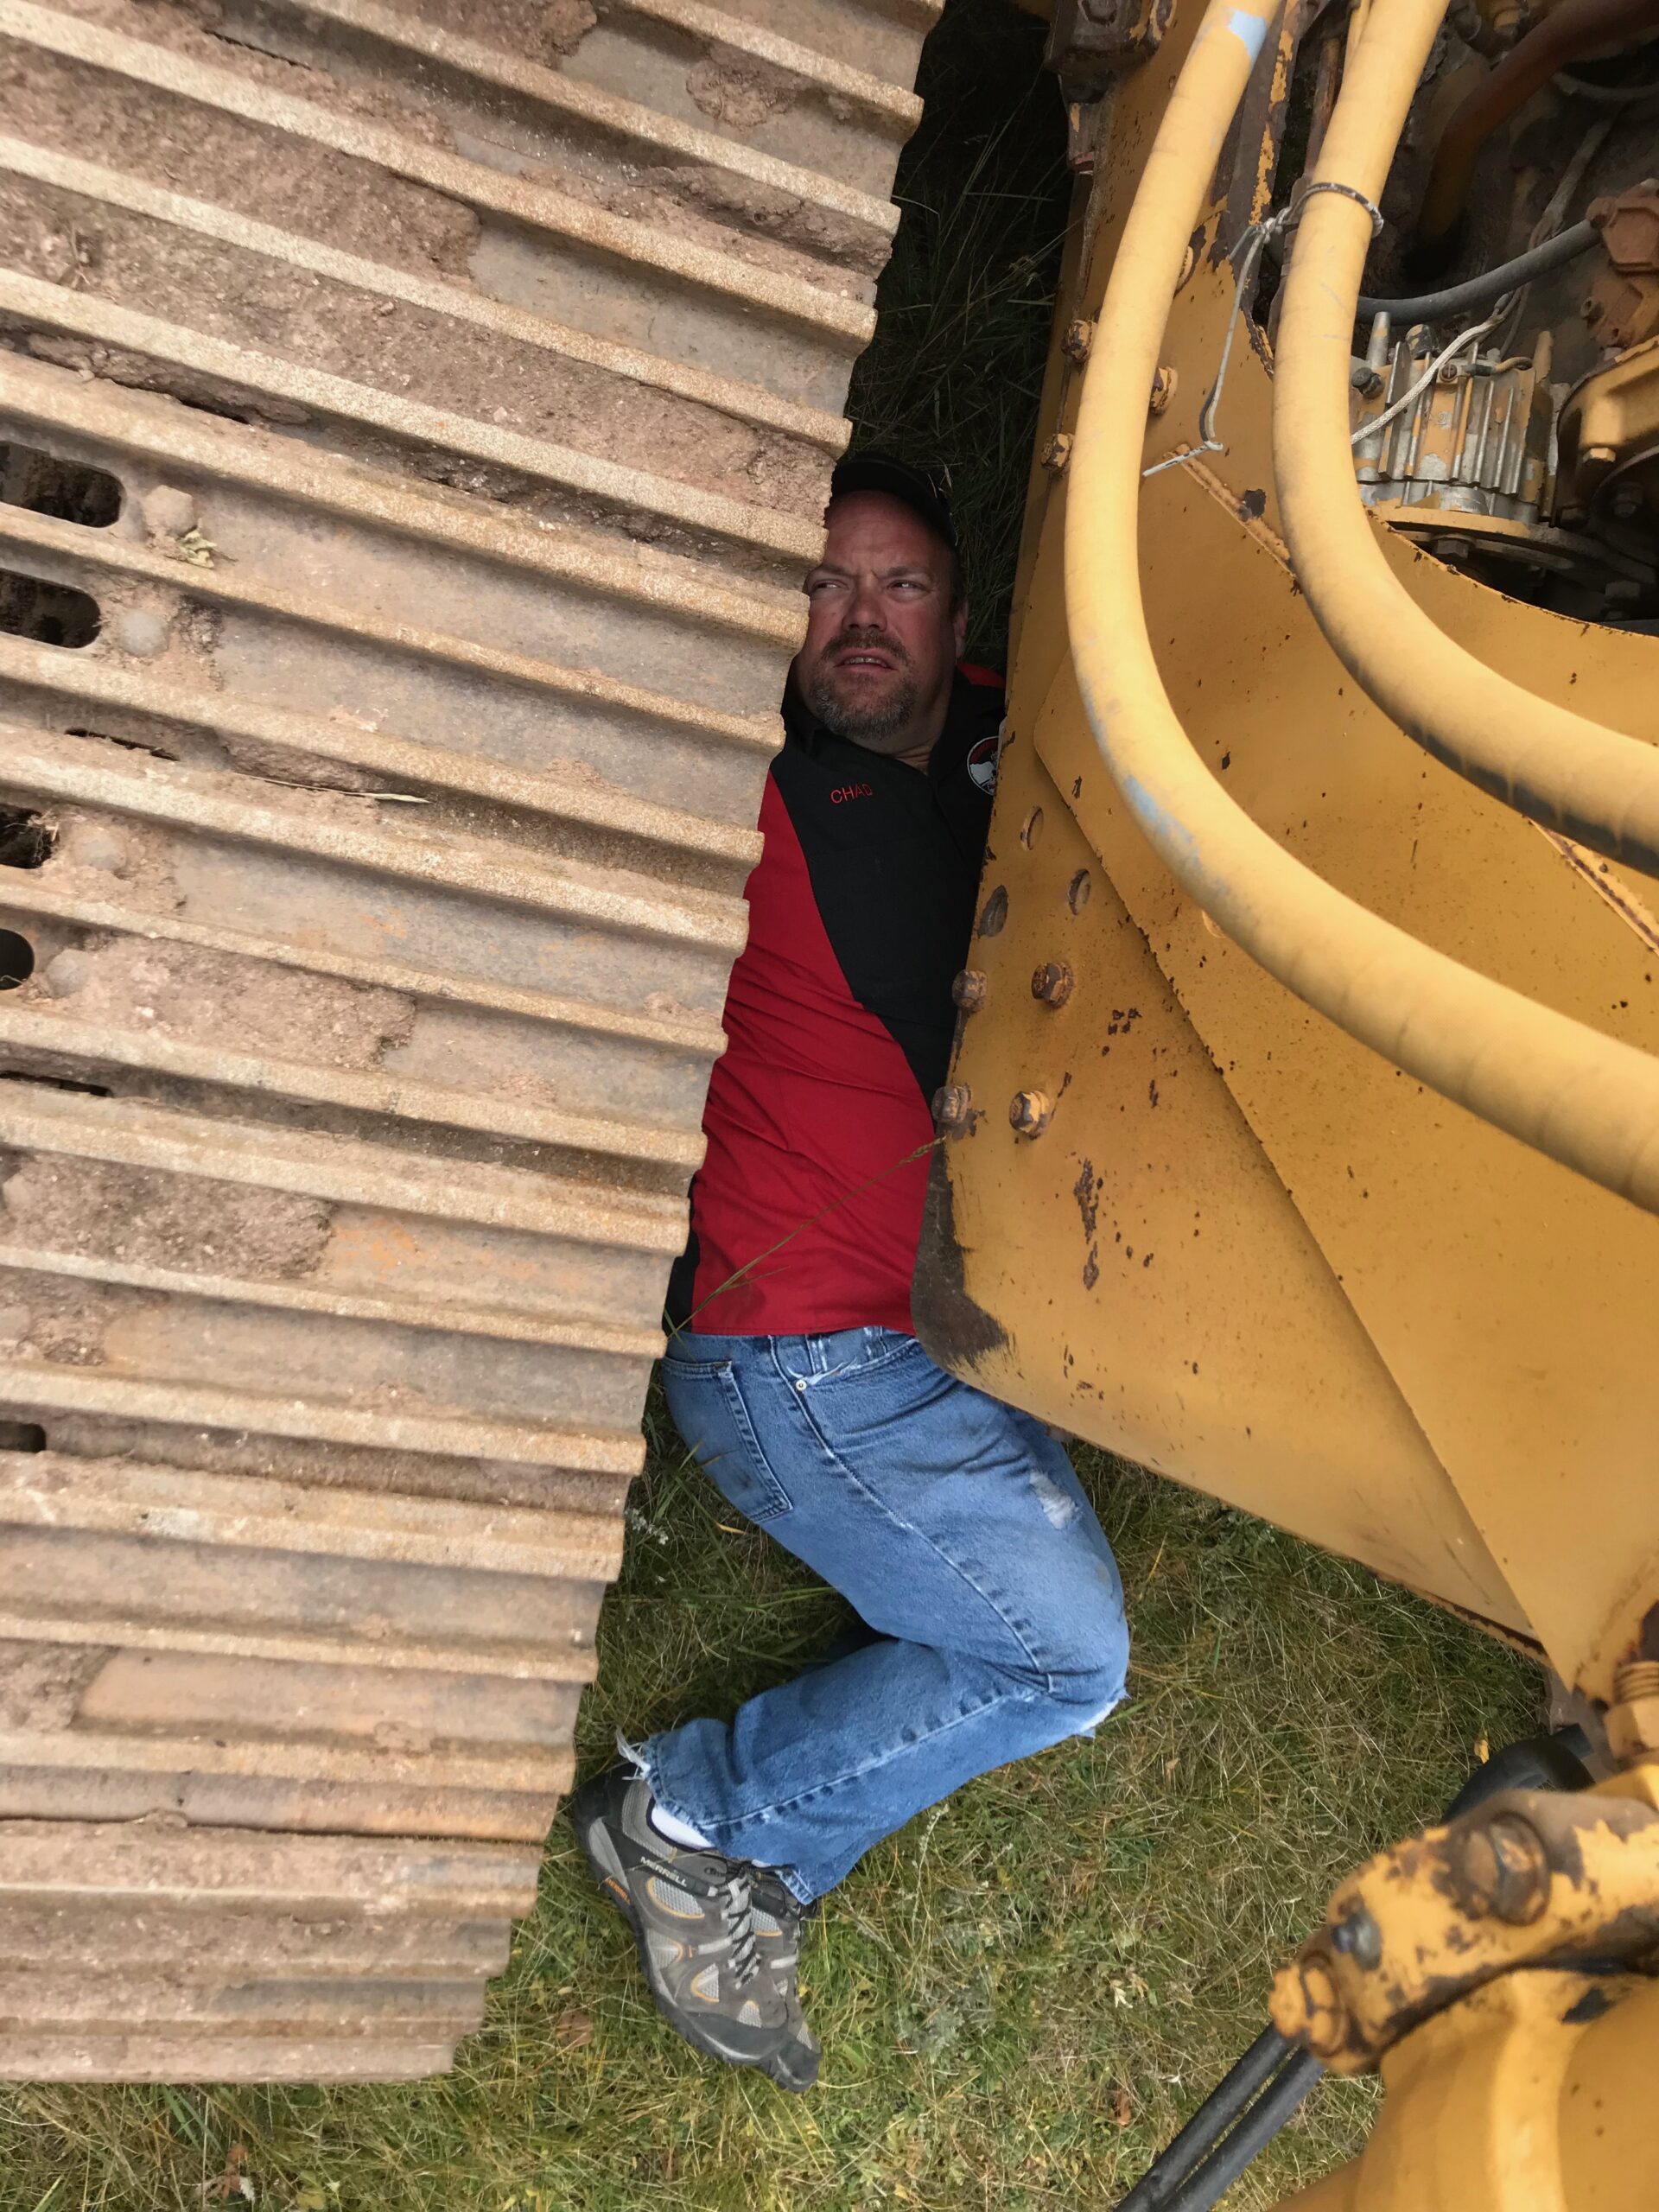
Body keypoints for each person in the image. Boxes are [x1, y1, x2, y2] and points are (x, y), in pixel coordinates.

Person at [569, 456, 1129, 2090]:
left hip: (945, 1337)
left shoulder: (1009, 734)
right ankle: (692, 1823)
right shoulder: (766, 802)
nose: (859, 616)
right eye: (823, 586)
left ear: (957, 620)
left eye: (900, 584)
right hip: (807, 1363)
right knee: (1063, 1664)